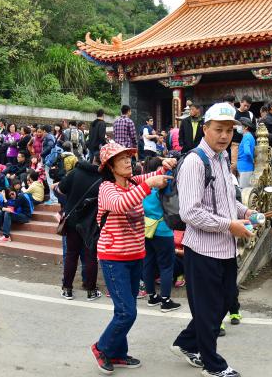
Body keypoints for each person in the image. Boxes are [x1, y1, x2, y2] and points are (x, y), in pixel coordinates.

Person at [171, 102, 255, 377]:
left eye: (229, 130)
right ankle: (213, 365)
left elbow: (226, 200)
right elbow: (190, 212)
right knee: (209, 311)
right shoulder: (195, 162)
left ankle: (186, 342)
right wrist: (229, 225)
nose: (224, 136)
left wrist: (246, 212)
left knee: (225, 301)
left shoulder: (221, 161)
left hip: (225, 248)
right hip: (203, 249)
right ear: (205, 128)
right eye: (218, 129)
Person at [90, 142, 175, 374]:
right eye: (122, 159)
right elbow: (121, 204)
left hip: (135, 255)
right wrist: (149, 184)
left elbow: (154, 175)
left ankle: (117, 353)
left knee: (124, 311)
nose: (128, 161)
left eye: (129, 157)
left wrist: (165, 166)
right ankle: (101, 348)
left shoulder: (133, 182)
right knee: (127, 311)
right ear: (110, 166)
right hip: (113, 258)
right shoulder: (107, 189)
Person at [56, 157, 105, 301]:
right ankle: (91, 291)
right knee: (90, 257)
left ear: (92, 159)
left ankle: (67, 289)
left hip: (72, 222)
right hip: (90, 224)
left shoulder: (75, 172)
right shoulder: (104, 179)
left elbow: (61, 189)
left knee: (71, 255)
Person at [142, 156, 181, 312]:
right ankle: (165, 300)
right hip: (163, 230)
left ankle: (152, 296)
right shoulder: (164, 183)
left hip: (146, 228)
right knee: (166, 266)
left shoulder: (144, 186)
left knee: (148, 263)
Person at [230, 95, 254, 175]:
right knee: (234, 165)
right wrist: (237, 127)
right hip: (235, 142)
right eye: (245, 105)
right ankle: (234, 183)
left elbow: (254, 128)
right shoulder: (233, 112)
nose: (246, 108)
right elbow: (228, 126)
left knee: (245, 162)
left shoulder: (250, 114)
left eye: (248, 106)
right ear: (240, 103)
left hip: (246, 141)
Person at [237, 118, 256, 189]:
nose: (238, 127)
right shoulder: (248, 136)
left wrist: (252, 160)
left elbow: (247, 152)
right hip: (245, 166)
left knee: (244, 191)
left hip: (245, 167)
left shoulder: (247, 137)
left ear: (246, 127)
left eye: (239, 125)